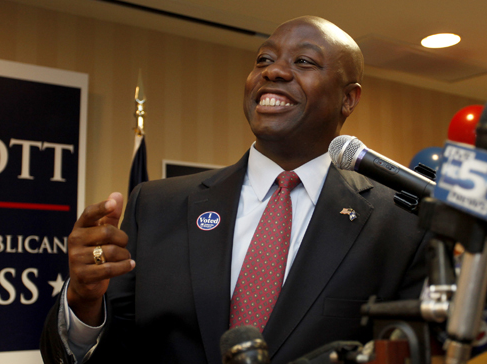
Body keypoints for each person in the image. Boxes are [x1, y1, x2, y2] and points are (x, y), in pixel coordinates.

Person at [41, 15, 427, 364]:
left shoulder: (400, 224)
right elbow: (108, 353)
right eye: (263, 59)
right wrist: (83, 302)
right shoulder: (157, 206)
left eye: (304, 62)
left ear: (349, 98)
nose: (274, 71)